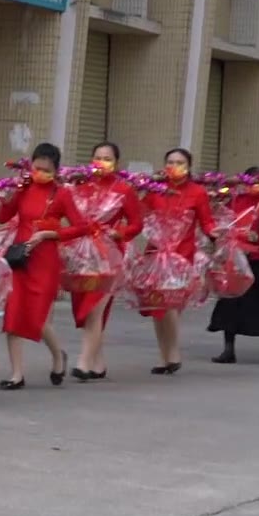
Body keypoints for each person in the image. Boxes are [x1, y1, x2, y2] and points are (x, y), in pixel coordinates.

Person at [0, 143, 87, 388]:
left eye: (47, 170)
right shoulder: (24, 188)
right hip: (20, 257)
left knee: (38, 317)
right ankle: (16, 374)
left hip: (45, 259)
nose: (40, 173)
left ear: (56, 170)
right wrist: (8, 197)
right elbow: (3, 217)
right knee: (13, 313)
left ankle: (58, 355)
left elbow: (81, 226)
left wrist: (50, 234)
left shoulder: (62, 194)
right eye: (37, 168)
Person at [137, 147, 216, 375]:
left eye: (180, 162)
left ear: (189, 167)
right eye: (170, 161)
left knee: (170, 306)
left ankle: (173, 353)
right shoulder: (155, 191)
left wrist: (215, 233)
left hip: (181, 255)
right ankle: (164, 357)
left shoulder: (198, 192)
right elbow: (141, 214)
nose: (174, 166)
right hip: (156, 253)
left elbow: (206, 221)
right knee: (157, 306)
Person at [68, 141, 142, 381]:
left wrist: (119, 232)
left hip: (109, 255)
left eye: (107, 158)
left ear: (117, 163)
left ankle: (83, 362)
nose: (101, 162)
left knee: (94, 308)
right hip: (83, 256)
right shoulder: (79, 187)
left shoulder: (124, 190)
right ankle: (98, 363)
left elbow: (136, 223)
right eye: (97, 157)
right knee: (85, 308)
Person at [208, 167, 259, 365]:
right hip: (236, 259)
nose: (255, 185)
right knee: (231, 303)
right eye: (251, 180)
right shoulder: (236, 200)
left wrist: (258, 237)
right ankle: (228, 349)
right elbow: (220, 211)